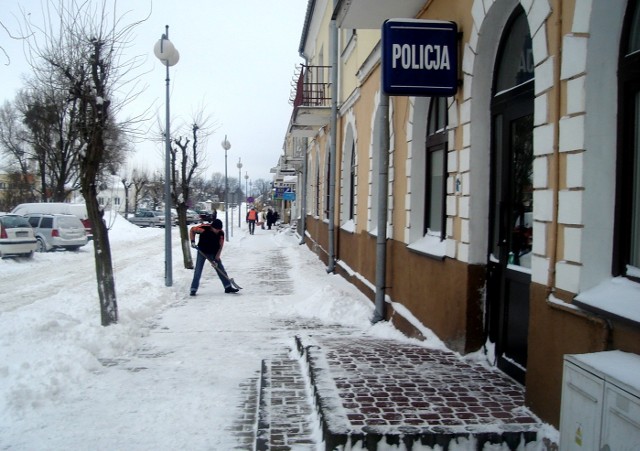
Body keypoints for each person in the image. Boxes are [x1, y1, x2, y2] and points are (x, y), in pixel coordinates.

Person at [189, 217, 239, 295]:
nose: (218, 231)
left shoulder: (221, 233)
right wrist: (192, 241)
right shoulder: (203, 228)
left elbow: (220, 247)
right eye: (217, 229)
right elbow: (192, 230)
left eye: (219, 229)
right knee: (198, 271)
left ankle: (228, 287)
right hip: (202, 251)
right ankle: (193, 289)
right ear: (212, 227)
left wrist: (216, 259)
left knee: (220, 269)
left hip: (213, 252)